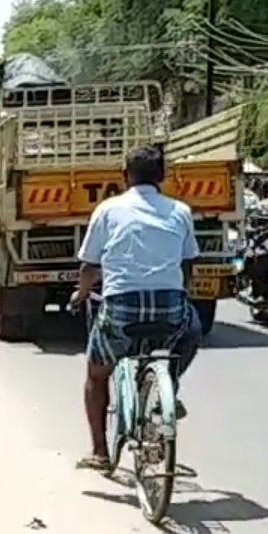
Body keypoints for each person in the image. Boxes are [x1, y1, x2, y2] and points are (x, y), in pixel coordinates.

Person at [70, 146, 203, 471]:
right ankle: (168, 384)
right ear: (162, 177)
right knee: (193, 330)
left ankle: (100, 452)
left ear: (124, 176)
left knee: (96, 374)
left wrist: (80, 294)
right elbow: (188, 265)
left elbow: (90, 266)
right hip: (169, 310)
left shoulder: (108, 209)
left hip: (121, 309)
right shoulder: (180, 211)